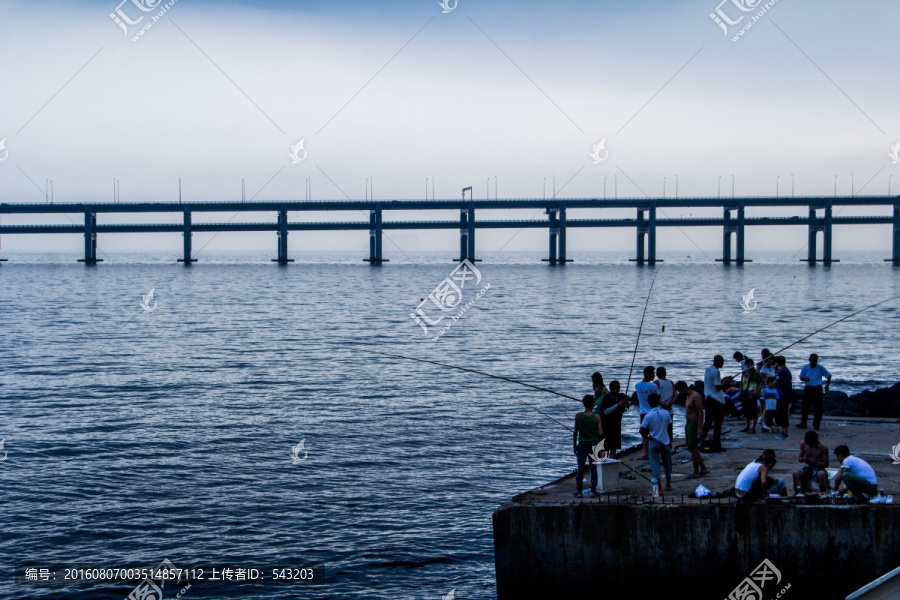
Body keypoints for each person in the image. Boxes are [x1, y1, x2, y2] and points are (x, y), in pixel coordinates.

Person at [639, 394, 673, 492]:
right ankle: (668, 484)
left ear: (649, 403)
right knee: (667, 463)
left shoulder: (648, 416)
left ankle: (659, 488)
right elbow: (670, 428)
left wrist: (648, 437)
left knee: (655, 465)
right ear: (658, 401)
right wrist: (670, 440)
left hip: (654, 441)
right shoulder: (666, 413)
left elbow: (641, 430)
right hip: (665, 441)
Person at [675, 381, 709, 479]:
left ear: (683, 389)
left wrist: (699, 427)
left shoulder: (695, 396)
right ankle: (703, 468)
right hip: (688, 424)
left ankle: (696, 472)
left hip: (694, 425)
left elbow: (700, 412)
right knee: (690, 447)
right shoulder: (687, 396)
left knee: (693, 448)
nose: (680, 394)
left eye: (680, 391)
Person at [573, 395, 603, 498]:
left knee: (580, 469)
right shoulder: (596, 417)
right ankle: (593, 491)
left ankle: (579, 493)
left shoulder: (578, 416)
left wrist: (574, 446)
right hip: (593, 444)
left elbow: (575, 432)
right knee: (593, 468)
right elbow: (600, 433)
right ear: (593, 404)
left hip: (582, 444)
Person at [700, 355, 731, 452]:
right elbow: (718, 387)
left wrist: (724, 379)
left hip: (709, 398)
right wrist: (726, 381)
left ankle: (701, 439)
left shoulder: (708, 370)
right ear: (716, 361)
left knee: (708, 421)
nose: (723, 363)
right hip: (716, 400)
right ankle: (717, 443)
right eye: (721, 361)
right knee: (718, 423)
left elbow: (714, 383)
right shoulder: (716, 371)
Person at [797, 354, 832, 431]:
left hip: (817, 388)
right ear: (809, 360)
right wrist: (805, 378)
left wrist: (827, 385)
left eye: (815, 361)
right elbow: (801, 377)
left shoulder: (820, 368)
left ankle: (816, 423)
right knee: (805, 406)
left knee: (818, 407)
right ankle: (803, 422)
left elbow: (828, 375)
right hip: (808, 388)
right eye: (812, 361)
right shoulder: (806, 367)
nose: (813, 362)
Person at [596, 380, 628, 458]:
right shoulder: (606, 398)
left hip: (616, 425)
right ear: (611, 388)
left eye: (619, 388)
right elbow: (606, 411)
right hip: (607, 426)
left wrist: (625, 404)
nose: (617, 390)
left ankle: (613, 459)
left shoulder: (620, 397)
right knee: (606, 447)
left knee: (614, 447)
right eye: (616, 388)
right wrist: (618, 404)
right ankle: (605, 461)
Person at [635, 366, 659, 459]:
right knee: (655, 432)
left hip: (643, 413)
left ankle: (647, 453)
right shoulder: (653, 386)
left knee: (644, 434)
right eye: (652, 374)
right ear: (647, 374)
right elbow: (658, 396)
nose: (654, 376)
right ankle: (655, 451)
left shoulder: (637, 385)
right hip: (653, 411)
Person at [739, 357, 762, 434]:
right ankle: (747, 426)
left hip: (752, 393)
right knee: (746, 410)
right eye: (748, 363)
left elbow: (760, 384)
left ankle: (753, 428)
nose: (750, 365)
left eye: (751, 363)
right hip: (745, 393)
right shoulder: (744, 372)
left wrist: (757, 391)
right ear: (746, 364)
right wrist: (740, 390)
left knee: (753, 411)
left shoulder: (756, 373)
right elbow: (742, 382)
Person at [655, 366, 675, 446]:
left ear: (657, 374)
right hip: (670, 409)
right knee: (669, 429)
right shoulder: (671, 382)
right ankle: (669, 444)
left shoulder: (657, 382)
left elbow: (655, 397)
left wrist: (664, 404)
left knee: (660, 429)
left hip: (660, 409)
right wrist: (670, 404)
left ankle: (661, 445)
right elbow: (675, 394)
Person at [774, 356, 792, 440]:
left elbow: (775, 382)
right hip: (784, 395)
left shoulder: (782, 372)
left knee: (782, 414)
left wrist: (775, 370)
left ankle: (785, 433)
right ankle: (784, 431)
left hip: (782, 395)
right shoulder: (785, 371)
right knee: (782, 413)